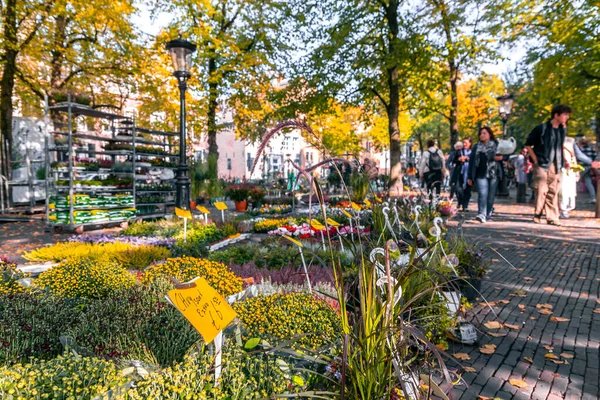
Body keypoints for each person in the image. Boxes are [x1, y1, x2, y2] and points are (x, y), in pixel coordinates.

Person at [525, 104, 572, 225]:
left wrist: (566, 159)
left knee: (553, 190)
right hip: (542, 162)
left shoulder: (562, 130)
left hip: (556, 163)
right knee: (541, 189)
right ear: (556, 115)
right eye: (565, 115)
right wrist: (535, 159)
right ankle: (538, 214)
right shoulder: (542, 128)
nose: (567, 117)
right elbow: (528, 144)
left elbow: (559, 146)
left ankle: (552, 217)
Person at [467, 127, 503, 223]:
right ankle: (481, 214)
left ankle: (488, 213)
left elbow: (503, 156)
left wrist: (499, 158)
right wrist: (469, 177)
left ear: (489, 134)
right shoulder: (476, 146)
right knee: (482, 194)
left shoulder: (496, 145)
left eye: (484, 133)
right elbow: (471, 162)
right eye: (480, 133)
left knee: (491, 196)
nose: (482, 135)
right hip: (480, 174)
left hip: (493, 174)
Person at [574, 135, 597, 204]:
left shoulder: (580, 149)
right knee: (588, 182)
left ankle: (572, 198)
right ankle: (593, 197)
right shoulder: (591, 149)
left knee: (575, 181)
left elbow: (578, 157)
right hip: (589, 167)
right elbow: (594, 157)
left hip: (580, 167)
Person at [560, 137, 579, 218]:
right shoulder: (562, 149)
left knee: (570, 191)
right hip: (563, 171)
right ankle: (563, 209)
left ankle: (566, 208)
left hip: (570, 171)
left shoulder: (572, 152)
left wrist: (577, 172)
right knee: (564, 191)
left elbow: (574, 159)